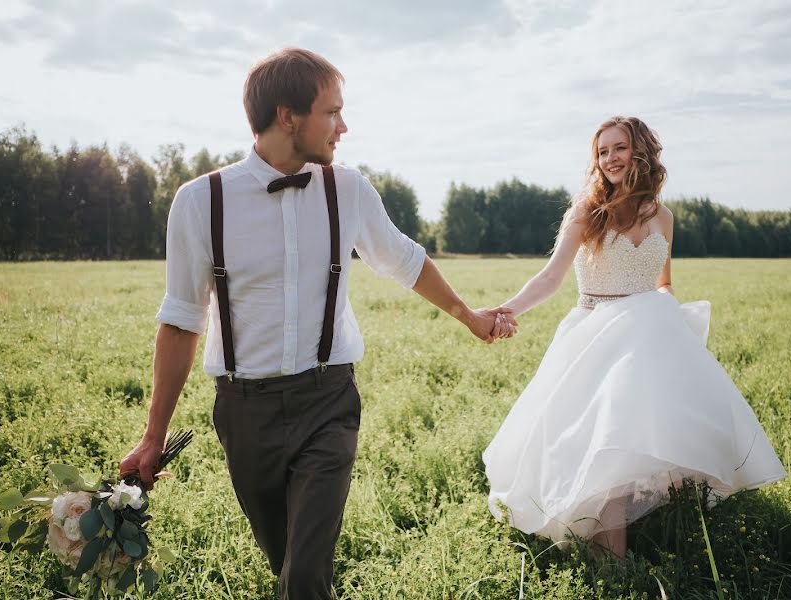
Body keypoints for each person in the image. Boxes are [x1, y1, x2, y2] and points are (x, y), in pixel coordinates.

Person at [119, 47, 515, 600]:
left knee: (303, 579)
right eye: (332, 112)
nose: (343, 126)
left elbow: (403, 259)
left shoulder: (347, 189)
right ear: (288, 116)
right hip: (244, 411)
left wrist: (468, 316)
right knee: (289, 566)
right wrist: (153, 435)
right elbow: (182, 320)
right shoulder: (199, 201)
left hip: (328, 401)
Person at [483, 116, 786, 558]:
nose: (610, 159)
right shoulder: (587, 211)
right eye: (602, 152)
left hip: (649, 337)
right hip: (595, 334)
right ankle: (612, 563)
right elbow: (551, 278)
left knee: (648, 437)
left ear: (640, 151)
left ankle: (672, 534)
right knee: (603, 441)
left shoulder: (664, 216)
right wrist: (506, 310)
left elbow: (662, 282)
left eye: (619, 148)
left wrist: (671, 319)